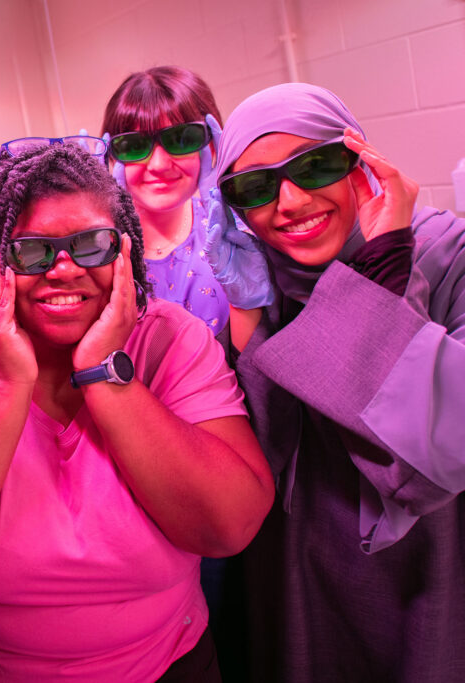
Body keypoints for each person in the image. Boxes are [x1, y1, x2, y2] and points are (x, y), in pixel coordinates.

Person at [0, 142, 274, 681]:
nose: (64, 270)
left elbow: (230, 525)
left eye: (90, 245)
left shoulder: (170, 337)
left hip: (166, 665)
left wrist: (107, 375)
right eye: (33, 251)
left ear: (124, 250)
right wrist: (8, 383)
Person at [205, 82, 465, 681]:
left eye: (316, 165)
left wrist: (389, 267)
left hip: (429, 565)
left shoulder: (446, 255)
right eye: (256, 188)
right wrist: (247, 329)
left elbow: (440, 446)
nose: (290, 202)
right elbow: (255, 463)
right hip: (300, 576)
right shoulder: (252, 286)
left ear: (361, 164)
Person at [102, 66, 253, 337]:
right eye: (134, 146)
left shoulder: (237, 235)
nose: (158, 164)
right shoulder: (100, 248)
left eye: (181, 140)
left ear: (211, 144)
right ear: (113, 154)